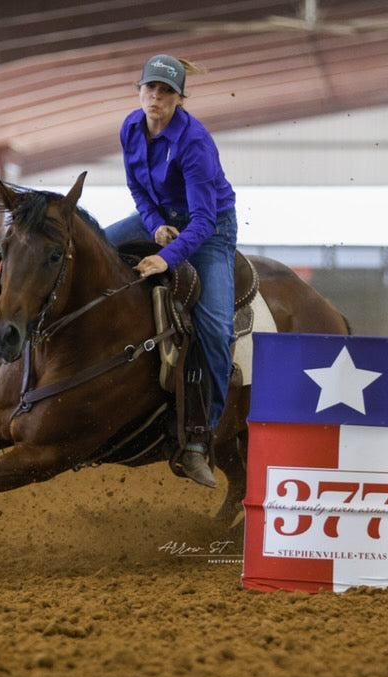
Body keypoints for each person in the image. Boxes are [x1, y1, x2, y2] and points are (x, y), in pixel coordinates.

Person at [104, 54, 237, 489]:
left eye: (165, 91)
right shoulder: (130, 127)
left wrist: (168, 256)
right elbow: (138, 189)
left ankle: (203, 435)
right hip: (161, 215)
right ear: (139, 89)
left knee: (217, 327)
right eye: (149, 88)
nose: (155, 97)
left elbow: (203, 220)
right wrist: (153, 224)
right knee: (93, 249)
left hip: (210, 227)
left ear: (180, 98)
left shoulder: (194, 142)